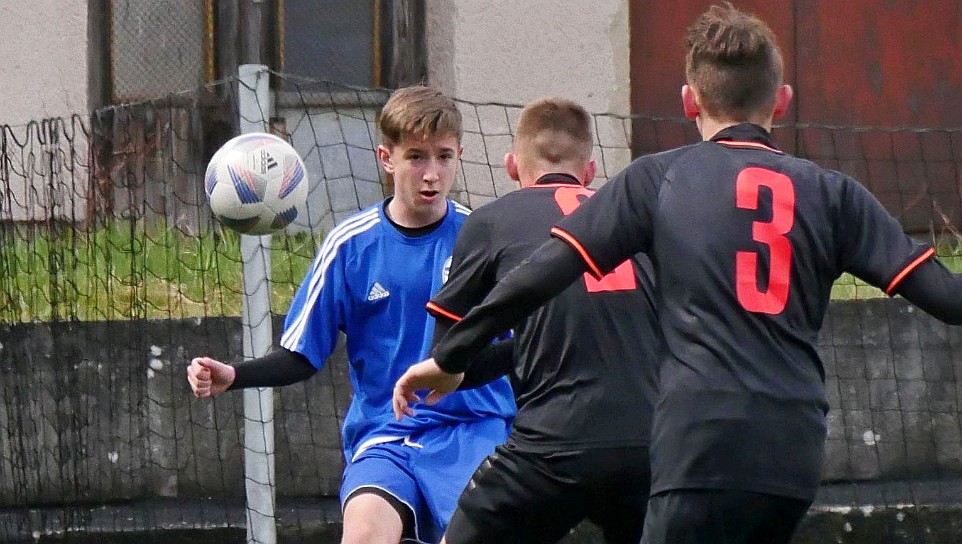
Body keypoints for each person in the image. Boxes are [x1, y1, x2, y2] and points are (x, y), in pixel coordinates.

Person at [390, 4, 962, 544]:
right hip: (792, 450)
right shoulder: (836, 195)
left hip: (699, 441)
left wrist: (451, 357)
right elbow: (945, 295)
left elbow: (543, 273)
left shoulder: (657, 180)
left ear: (690, 101)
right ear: (782, 102)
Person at [186, 85, 516, 544]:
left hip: (473, 433)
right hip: (387, 435)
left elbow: (523, 349)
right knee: (363, 533)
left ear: (460, 153)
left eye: (444, 157)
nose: (431, 174)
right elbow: (302, 354)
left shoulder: (484, 238)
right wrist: (234, 375)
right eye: (416, 157)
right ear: (387, 158)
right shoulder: (349, 244)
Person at [393, 97, 661, 544]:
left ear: (512, 166)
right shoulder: (633, 220)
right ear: (590, 173)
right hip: (651, 446)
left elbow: (454, 363)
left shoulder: (490, 222)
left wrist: (492, 356)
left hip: (551, 445)